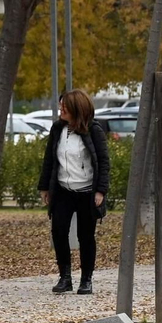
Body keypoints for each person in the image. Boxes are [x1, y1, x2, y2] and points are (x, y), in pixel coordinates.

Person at [37, 89, 110, 295]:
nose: (61, 110)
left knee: (85, 236)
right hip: (63, 190)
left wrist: (100, 191)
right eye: (60, 106)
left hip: (87, 191)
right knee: (59, 232)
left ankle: (86, 279)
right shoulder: (57, 129)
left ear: (77, 109)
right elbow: (49, 160)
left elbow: (103, 162)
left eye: (65, 107)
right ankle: (65, 277)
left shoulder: (93, 130)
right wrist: (44, 187)